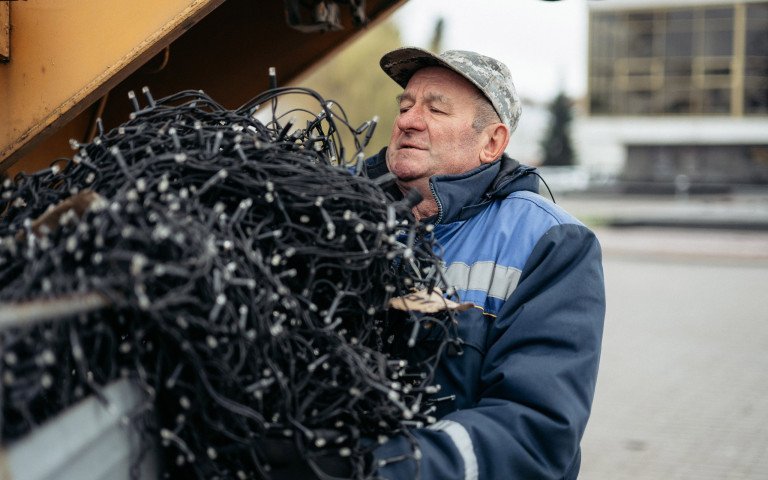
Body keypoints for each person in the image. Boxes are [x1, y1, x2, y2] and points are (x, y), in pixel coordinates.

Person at [364, 47, 606, 480]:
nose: (408, 121)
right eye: (405, 106)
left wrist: (380, 467)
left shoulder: (551, 242)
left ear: (491, 143)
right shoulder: (341, 214)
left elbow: (535, 429)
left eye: (435, 109)